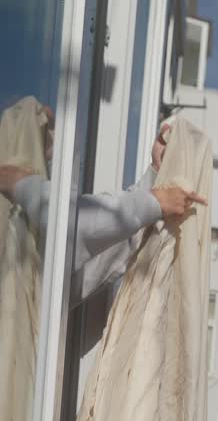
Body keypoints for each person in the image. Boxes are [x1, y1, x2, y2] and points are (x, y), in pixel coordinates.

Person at [0, 118, 206, 298]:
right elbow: (68, 225)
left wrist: (155, 180)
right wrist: (154, 202)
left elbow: (87, 266)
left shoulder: (25, 273)